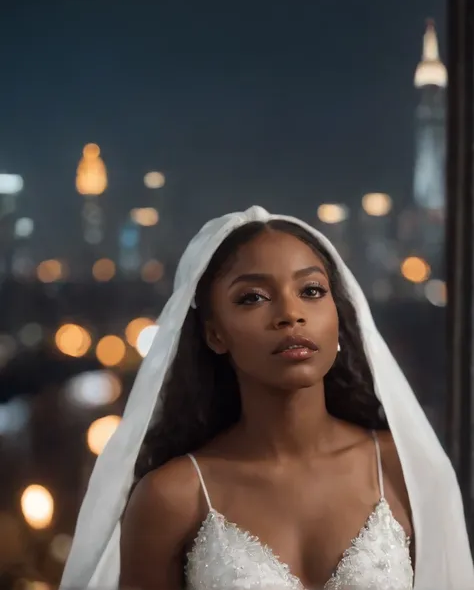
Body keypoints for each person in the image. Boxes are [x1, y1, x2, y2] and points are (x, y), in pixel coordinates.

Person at [60, 207, 473, 590]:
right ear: (214, 334)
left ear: (339, 315)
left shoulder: (405, 471)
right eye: (253, 297)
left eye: (311, 291)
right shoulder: (172, 498)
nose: (290, 314)